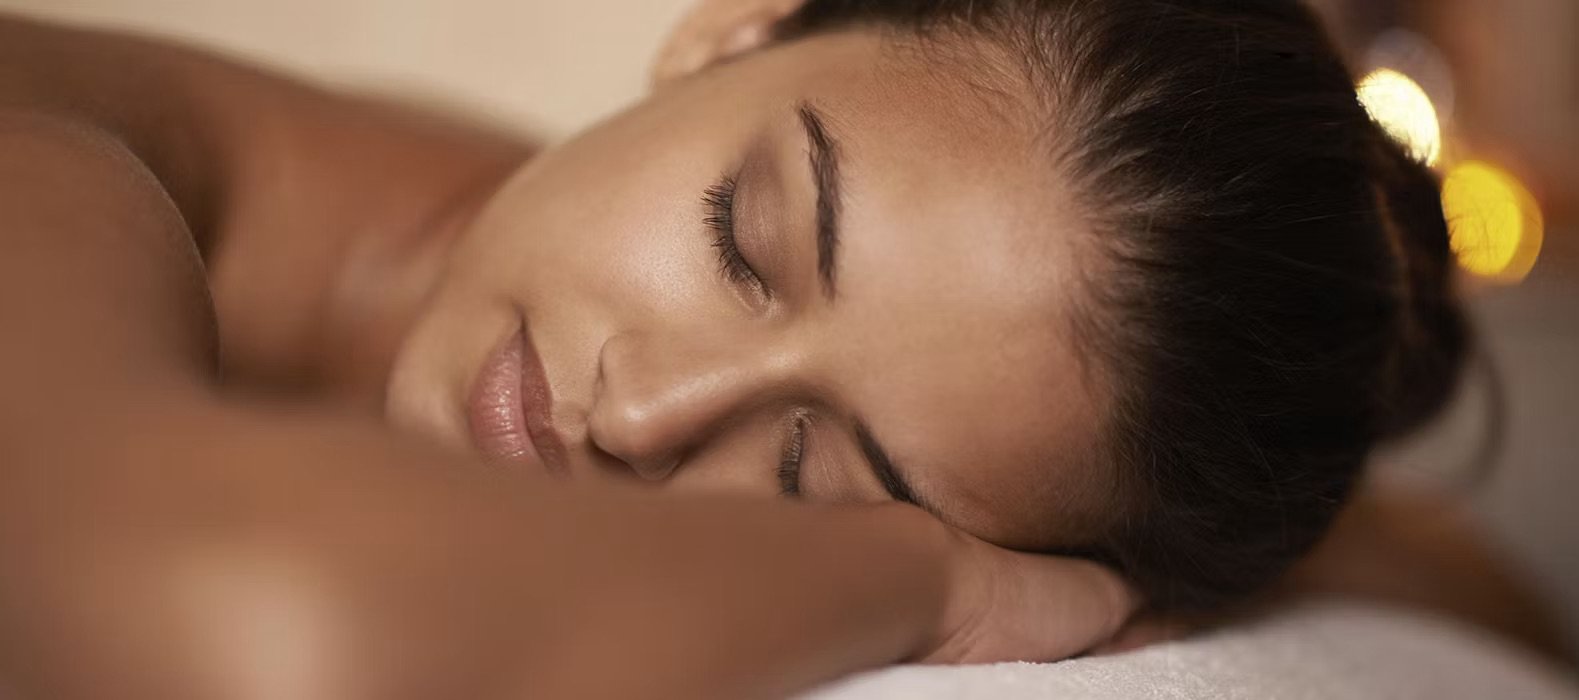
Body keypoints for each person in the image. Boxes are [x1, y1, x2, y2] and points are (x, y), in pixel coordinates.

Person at [0, 1, 1561, 698]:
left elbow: (1470, 591)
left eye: (814, 471)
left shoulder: (463, 234)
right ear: (732, 30)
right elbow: (262, 646)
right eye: (741, 240)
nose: (643, 413)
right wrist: (920, 578)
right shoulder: (66, 164)